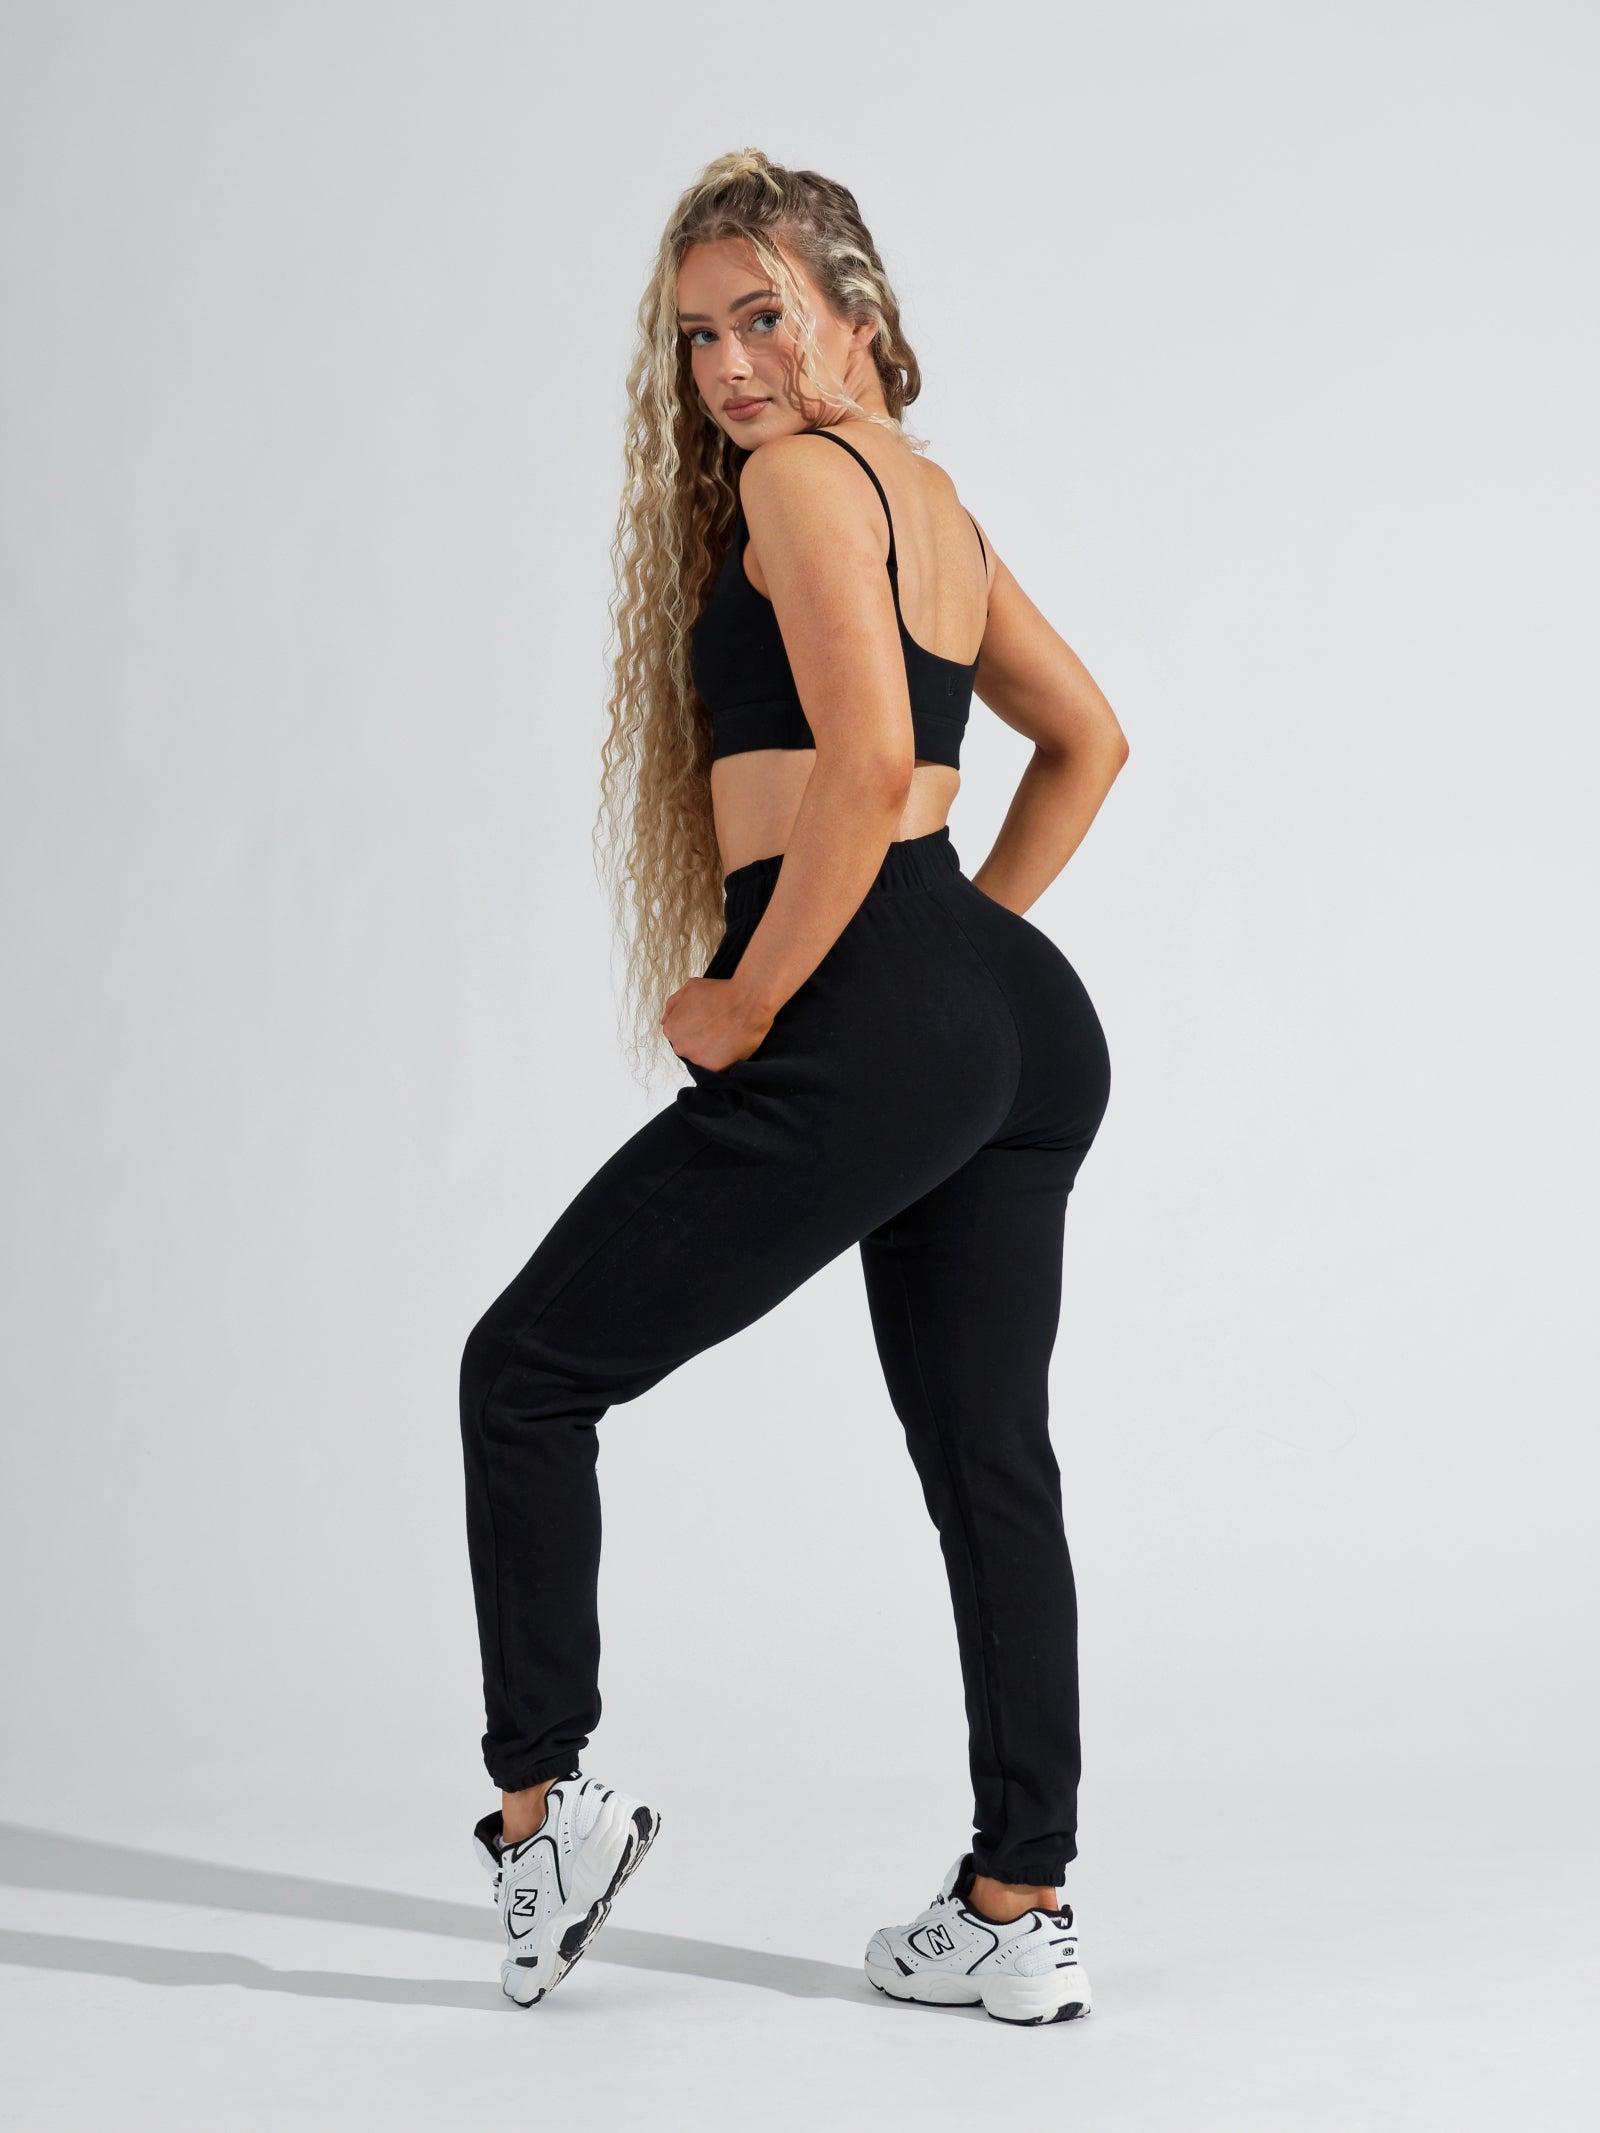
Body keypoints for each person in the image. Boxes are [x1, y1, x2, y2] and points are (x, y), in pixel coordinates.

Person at [459, 148, 1127, 2025]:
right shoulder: (931, 501)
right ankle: (1020, 1901)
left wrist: (760, 996)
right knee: (993, 1467)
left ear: (857, 313)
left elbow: (863, 761)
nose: (730, 367)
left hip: (878, 986)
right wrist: (962, 972)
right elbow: (1088, 741)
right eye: (695, 338)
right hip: (1009, 1021)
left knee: (523, 1375)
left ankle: (544, 1817)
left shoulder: (801, 481)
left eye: (764, 317)